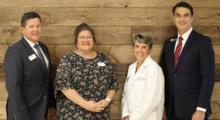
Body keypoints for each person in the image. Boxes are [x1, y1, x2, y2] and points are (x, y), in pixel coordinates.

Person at [160, 1, 215, 120]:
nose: (182, 19)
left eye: (186, 15)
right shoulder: (168, 44)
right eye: (178, 15)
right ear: (173, 18)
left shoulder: (203, 42)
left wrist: (201, 109)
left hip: (194, 111)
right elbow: (163, 76)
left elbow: (208, 77)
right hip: (171, 110)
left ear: (192, 18)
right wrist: (162, 107)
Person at [54, 23, 118, 120]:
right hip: (73, 114)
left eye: (89, 37)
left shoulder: (103, 59)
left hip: (100, 114)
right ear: (76, 40)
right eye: (82, 37)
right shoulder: (68, 59)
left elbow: (113, 83)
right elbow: (64, 86)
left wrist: (107, 101)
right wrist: (86, 105)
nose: (86, 40)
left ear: (93, 40)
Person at [4, 12, 56, 120]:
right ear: (23, 29)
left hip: (42, 112)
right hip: (24, 113)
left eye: (38, 26)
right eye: (31, 26)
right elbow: (14, 88)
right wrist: (22, 117)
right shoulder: (15, 51)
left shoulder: (43, 48)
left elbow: (47, 79)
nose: (36, 29)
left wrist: (51, 106)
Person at [122, 34, 164, 120]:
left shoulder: (154, 69)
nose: (139, 50)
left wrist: (133, 118)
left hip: (148, 117)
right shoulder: (131, 68)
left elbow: (152, 99)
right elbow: (126, 93)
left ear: (149, 49)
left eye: (144, 47)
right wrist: (125, 114)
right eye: (137, 46)